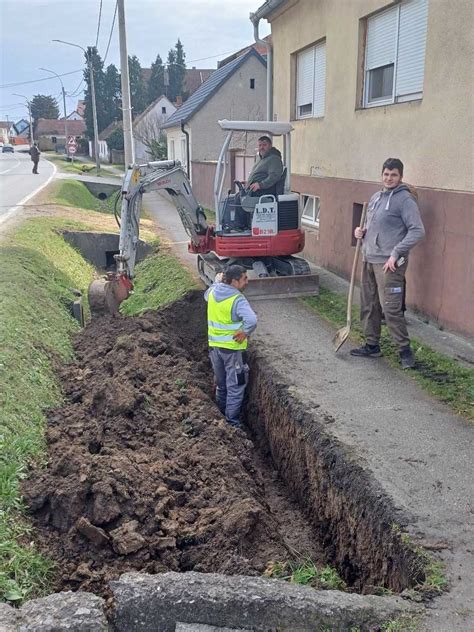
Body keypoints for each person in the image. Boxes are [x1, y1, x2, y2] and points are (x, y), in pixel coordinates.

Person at [350, 158, 425, 369]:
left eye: (393, 175)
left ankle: (405, 351)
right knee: (369, 305)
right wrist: (361, 232)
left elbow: (417, 231)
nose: (389, 178)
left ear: (400, 176)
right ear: (381, 175)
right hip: (369, 257)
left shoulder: (405, 200)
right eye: (386, 174)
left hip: (389, 264)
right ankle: (371, 345)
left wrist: (396, 253)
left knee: (390, 308)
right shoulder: (375, 197)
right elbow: (372, 225)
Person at [204, 265, 257, 428]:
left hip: (215, 348)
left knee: (222, 384)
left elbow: (207, 293)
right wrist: (245, 332)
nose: (247, 282)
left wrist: (217, 281)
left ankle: (220, 415)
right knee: (235, 387)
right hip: (232, 350)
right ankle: (231, 423)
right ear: (234, 281)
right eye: (244, 279)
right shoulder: (237, 299)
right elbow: (252, 320)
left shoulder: (212, 292)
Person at [233, 135, 284, 229]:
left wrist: (260, 185)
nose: (261, 147)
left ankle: (239, 226)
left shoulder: (274, 159)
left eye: (264, 145)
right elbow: (258, 175)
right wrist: (247, 183)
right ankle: (243, 225)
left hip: (265, 192)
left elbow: (274, 176)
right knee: (236, 196)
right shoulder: (262, 159)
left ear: (270, 146)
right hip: (256, 190)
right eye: (260, 145)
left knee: (239, 198)